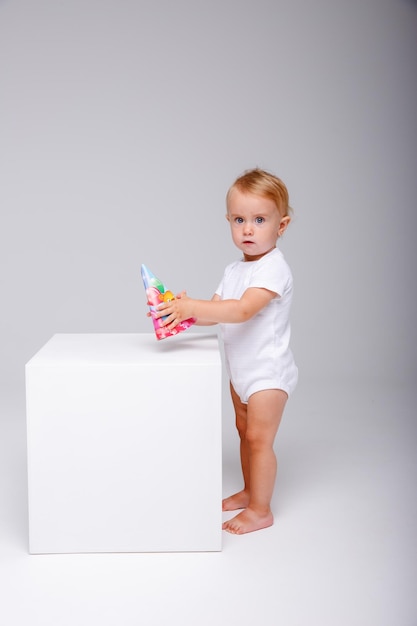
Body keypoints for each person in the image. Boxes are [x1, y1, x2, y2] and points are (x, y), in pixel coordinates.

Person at [155, 168, 298, 534]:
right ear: (229, 222)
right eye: (239, 220)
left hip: (268, 373)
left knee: (259, 439)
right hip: (241, 370)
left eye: (259, 220)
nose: (248, 229)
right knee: (242, 431)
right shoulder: (233, 269)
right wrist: (182, 313)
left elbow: (242, 310)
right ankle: (251, 490)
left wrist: (196, 307)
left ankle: (261, 510)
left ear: (281, 226)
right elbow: (218, 313)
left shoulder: (274, 269)